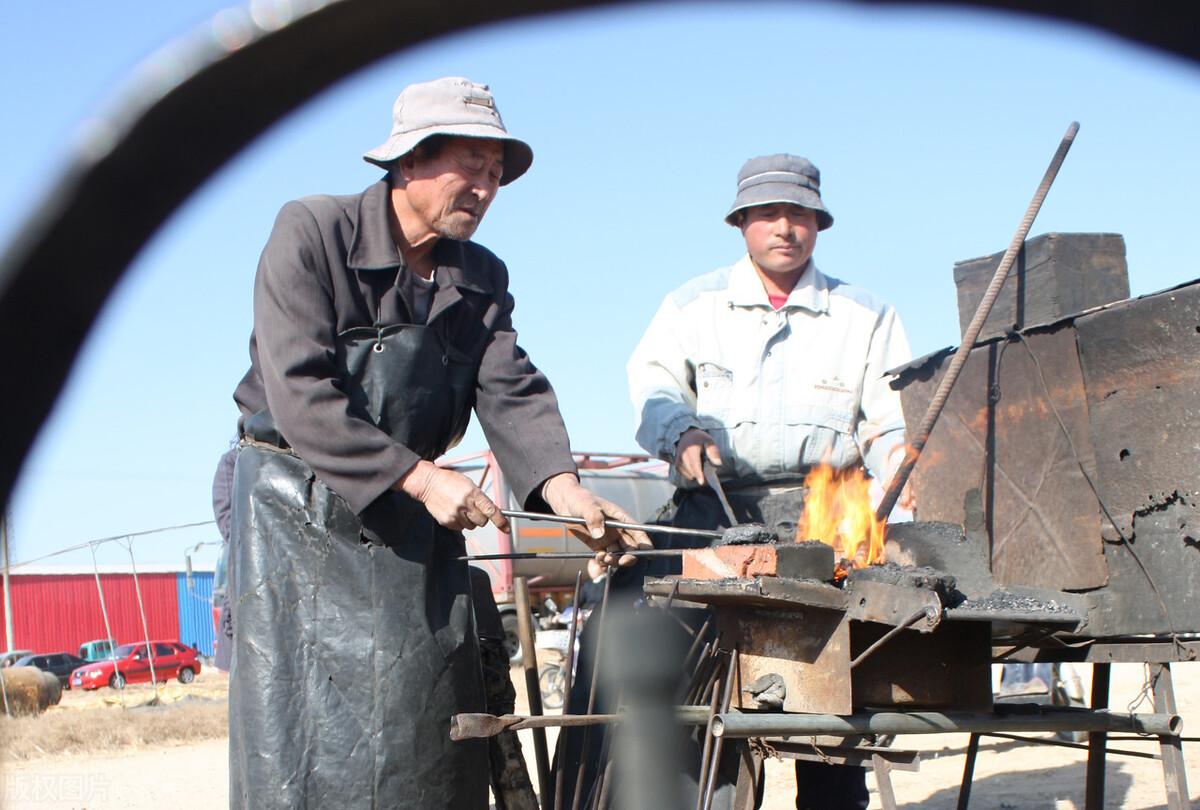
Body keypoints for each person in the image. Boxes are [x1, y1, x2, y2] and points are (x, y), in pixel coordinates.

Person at [227, 76, 650, 810]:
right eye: (471, 166)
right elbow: (300, 394)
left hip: (408, 524)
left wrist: (566, 491)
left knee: (423, 719)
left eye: (496, 175)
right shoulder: (312, 232)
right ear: (410, 162)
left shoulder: (480, 277)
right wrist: (422, 480)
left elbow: (509, 387)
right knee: (306, 732)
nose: (485, 189)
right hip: (295, 514)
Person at [626, 154, 914, 809]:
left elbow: (892, 420)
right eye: (770, 214)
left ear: (819, 223)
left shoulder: (865, 315)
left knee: (831, 686)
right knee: (707, 690)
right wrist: (681, 433)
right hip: (712, 513)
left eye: (800, 214)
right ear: (742, 223)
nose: (786, 227)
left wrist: (899, 460)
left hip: (826, 519)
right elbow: (655, 389)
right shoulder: (691, 307)